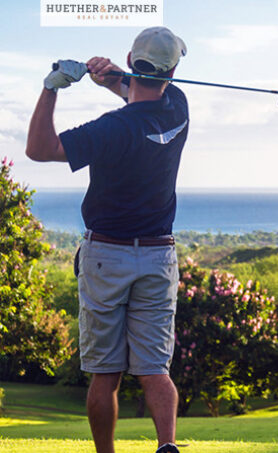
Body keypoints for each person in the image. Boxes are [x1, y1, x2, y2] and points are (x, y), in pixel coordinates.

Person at [26, 27, 189, 453]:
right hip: (158, 257)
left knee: (106, 373)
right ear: (173, 70)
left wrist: (51, 88)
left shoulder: (110, 129)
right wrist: (112, 77)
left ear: (132, 59)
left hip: (106, 257)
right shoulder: (178, 108)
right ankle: (167, 445)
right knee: (155, 370)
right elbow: (139, 91)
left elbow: (39, 149)